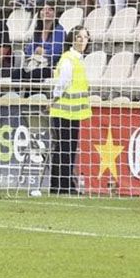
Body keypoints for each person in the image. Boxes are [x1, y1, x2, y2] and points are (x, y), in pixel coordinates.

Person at [48, 25, 92, 195]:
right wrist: (54, 99)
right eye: (79, 37)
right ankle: (61, 184)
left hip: (73, 111)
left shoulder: (78, 59)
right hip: (63, 110)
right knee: (64, 147)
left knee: (68, 147)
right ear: (72, 40)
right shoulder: (68, 58)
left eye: (85, 37)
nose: (82, 41)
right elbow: (63, 82)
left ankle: (61, 184)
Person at [9, 4, 66, 83]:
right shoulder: (37, 30)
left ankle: (29, 91)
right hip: (35, 64)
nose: (46, 12)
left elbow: (55, 54)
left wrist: (40, 51)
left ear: (55, 14)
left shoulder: (59, 30)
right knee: (16, 74)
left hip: (51, 66)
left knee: (33, 74)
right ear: (39, 14)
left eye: (50, 10)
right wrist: (40, 50)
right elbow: (29, 51)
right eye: (43, 9)